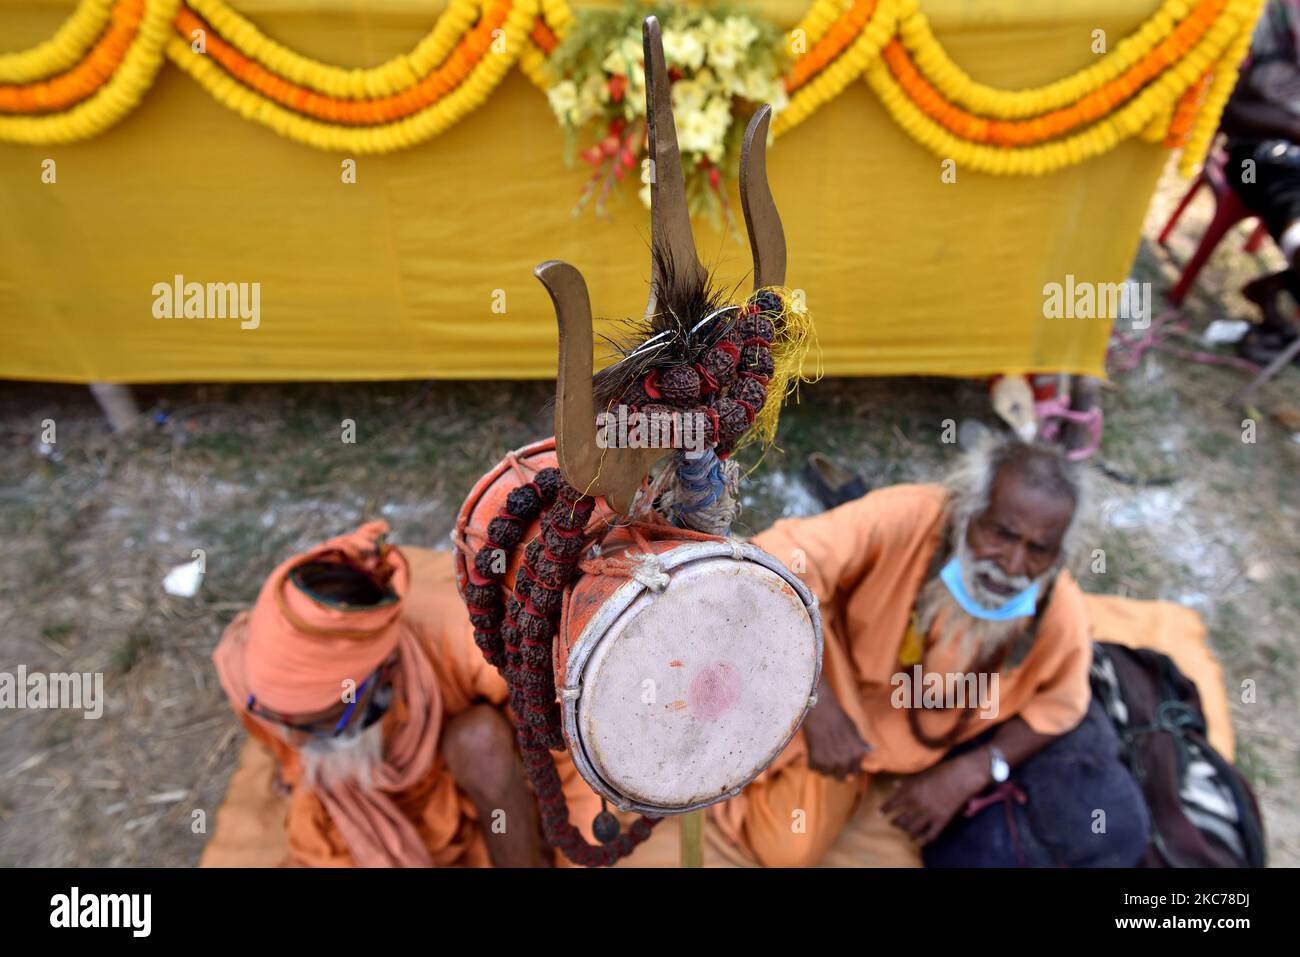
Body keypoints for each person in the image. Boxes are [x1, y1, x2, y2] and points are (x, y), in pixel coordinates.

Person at [712, 437, 1149, 867]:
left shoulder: (1056, 609)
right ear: (966, 513)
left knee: (789, 845)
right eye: (1001, 533)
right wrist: (816, 702)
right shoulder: (906, 515)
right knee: (784, 847)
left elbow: (1061, 707)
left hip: (883, 749)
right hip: (827, 680)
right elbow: (769, 565)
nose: (1013, 566)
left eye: (1038, 550)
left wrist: (974, 770)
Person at [211, 520, 598, 867]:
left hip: (470, 777)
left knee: (480, 740)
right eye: (284, 722)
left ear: (382, 674)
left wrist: (577, 854)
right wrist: (296, 763)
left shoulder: (473, 642)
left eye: (318, 725)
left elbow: (568, 753)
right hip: (380, 791)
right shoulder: (248, 674)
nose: (295, 739)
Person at [1221, 0, 1300, 363]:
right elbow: (1225, 110)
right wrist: (1292, 128)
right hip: (1263, 154)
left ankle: (1271, 292)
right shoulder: (1258, 16)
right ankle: (1271, 303)